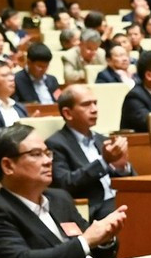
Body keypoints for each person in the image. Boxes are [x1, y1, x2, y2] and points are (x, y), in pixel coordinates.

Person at [0, 124, 125, 258]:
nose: (47, 161)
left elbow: (93, 248)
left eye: (47, 153)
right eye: (36, 154)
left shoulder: (60, 199)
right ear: (8, 166)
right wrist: (85, 241)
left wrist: (105, 239)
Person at [45, 84, 132, 218]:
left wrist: (122, 168)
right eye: (86, 105)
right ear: (68, 113)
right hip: (94, 208)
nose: (94, 109)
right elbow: (65, 183)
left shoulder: (102, 140)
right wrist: (103, 162)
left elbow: (131, 181)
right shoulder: (55, 144)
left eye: (95, 103)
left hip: (120, 200)